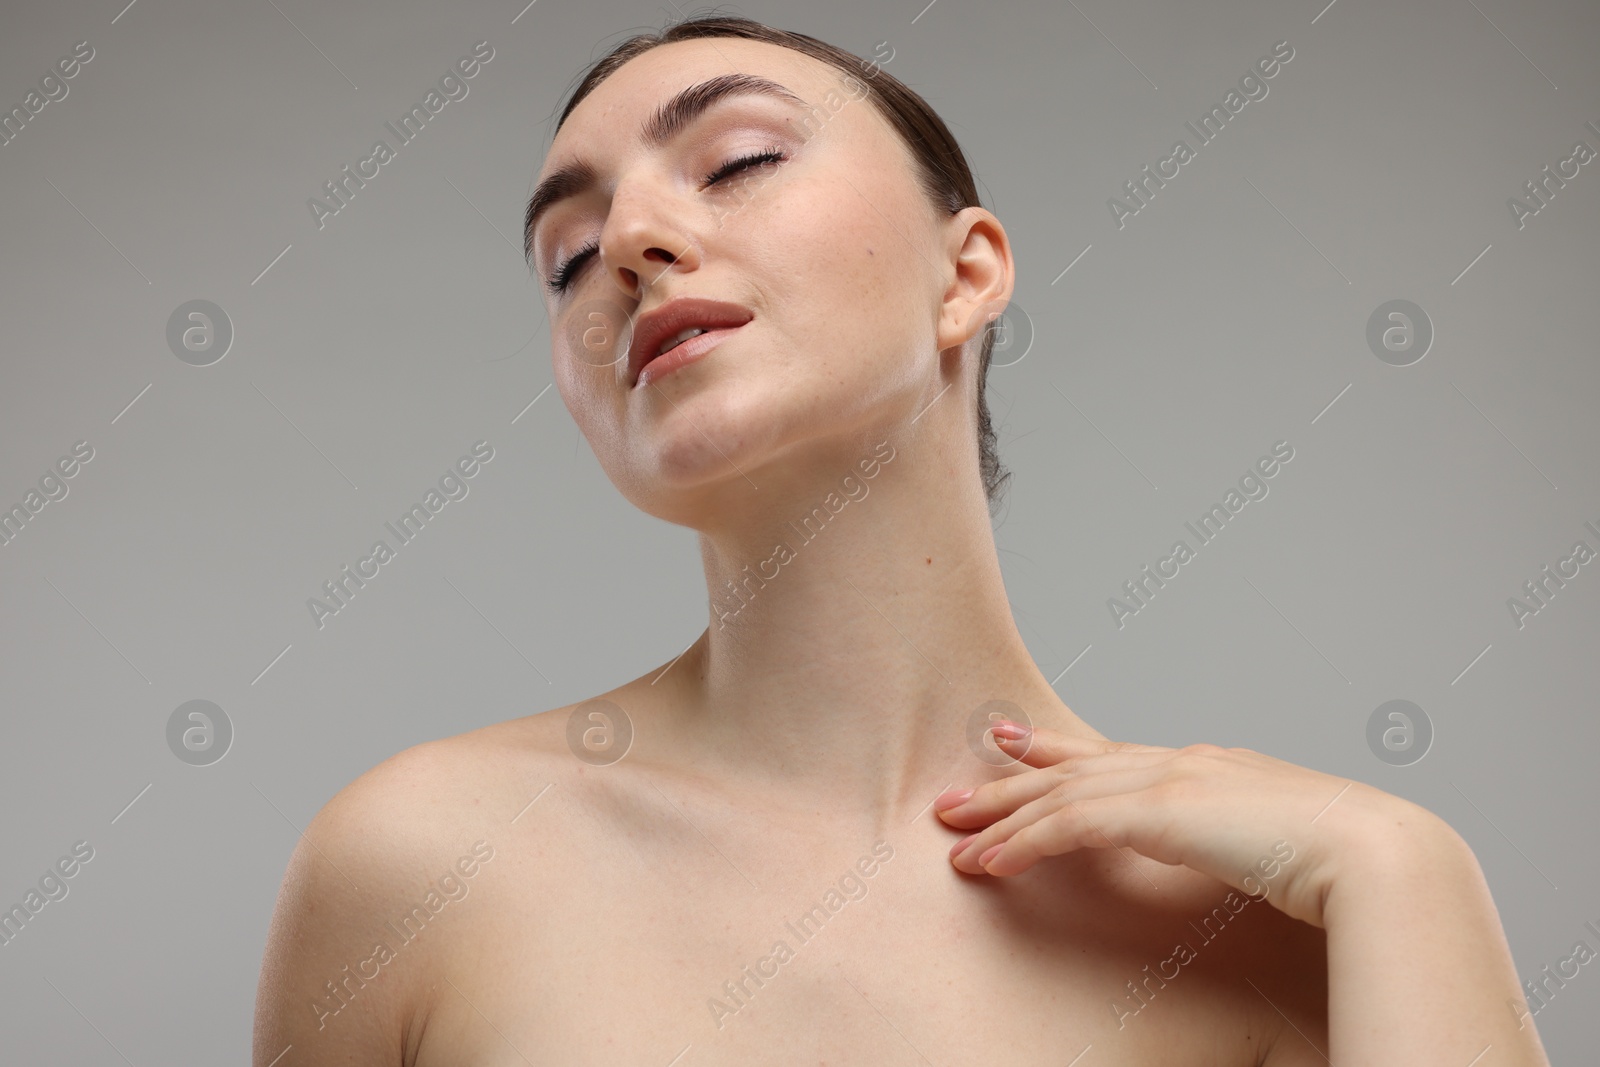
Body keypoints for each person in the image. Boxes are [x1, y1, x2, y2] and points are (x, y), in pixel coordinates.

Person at [253, 15, 1551, 1066]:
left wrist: (1409, 871)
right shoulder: (416, 866)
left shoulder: (1268, 937)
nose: (630, 250)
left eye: (739, 160)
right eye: (569, 255)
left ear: (969, 272)